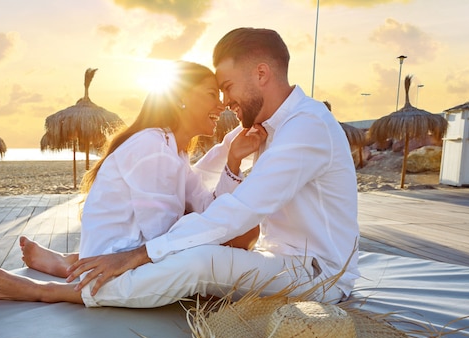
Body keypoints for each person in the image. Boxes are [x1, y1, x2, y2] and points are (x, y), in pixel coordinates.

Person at [59, 27, 360, 308]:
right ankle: (78, 270)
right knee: (196, 248)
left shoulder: (307, 126)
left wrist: (139, 255)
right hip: (281, 258)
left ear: (261, 74)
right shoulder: (267, 126)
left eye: (227, 88)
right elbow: (200, 179)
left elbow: (241, 209)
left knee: (200, 261)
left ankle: (64, 291)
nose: (225, 102)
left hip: (319, 275)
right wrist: (231, 161)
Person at [0, 60, 264, 303]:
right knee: (198, 263)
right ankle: (46, 291)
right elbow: (158, 237)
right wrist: (207, 231)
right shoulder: (152, 148)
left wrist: (233, 163)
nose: (223, 104)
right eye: (212, 93)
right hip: (114, 262)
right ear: (181, 98)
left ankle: (70, 263)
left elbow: (208, 207)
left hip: (120, 253)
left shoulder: (173, 150)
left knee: (229, 235)